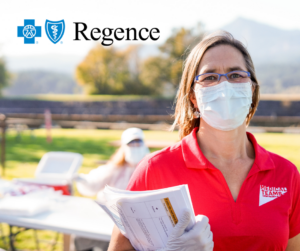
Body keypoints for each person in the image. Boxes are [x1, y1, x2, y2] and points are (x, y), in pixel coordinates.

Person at [108, 31, 300, 251]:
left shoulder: (286, 174)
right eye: (210, 77)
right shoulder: (155, 170)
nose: (224, 86)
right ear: (193, 98)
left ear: (252, 88)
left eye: (236, 75)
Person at [74, 127, 150, 251]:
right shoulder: (114, 169)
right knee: (79, 237)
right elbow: (92, 184)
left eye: (138, 142)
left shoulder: (149, 169)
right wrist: (80, 179)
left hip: (135, 224)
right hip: (107, 219)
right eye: (131, 143)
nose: (135, 146)